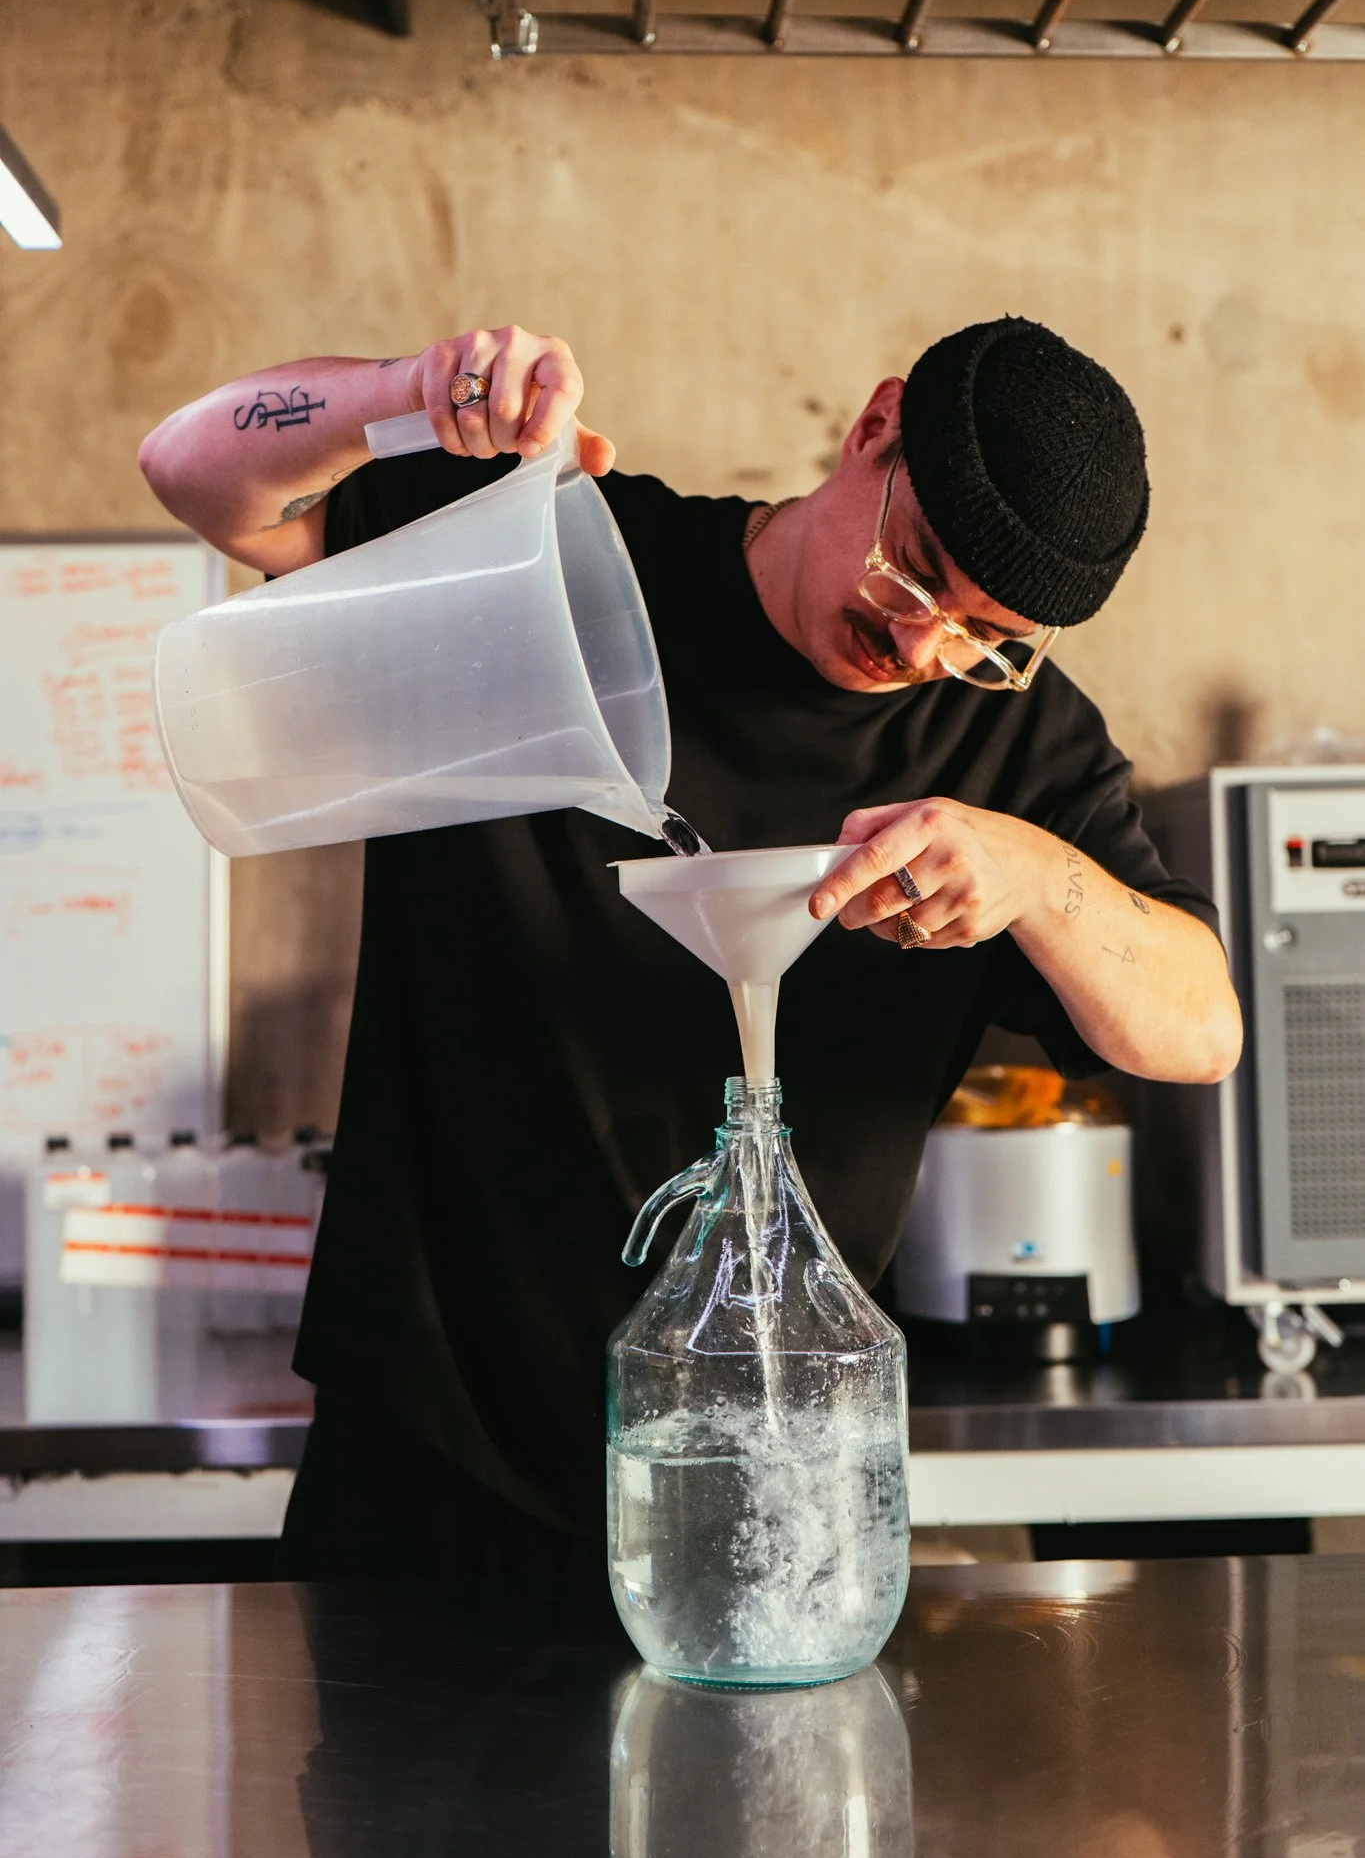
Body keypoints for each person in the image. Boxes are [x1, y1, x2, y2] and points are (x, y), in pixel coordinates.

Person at [139, 316, 1242, 1601]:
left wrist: (1037, 879)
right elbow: (190, 469)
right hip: (432, 1438)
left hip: (759, 1474)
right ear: (874, 427)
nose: (924, 644)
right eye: (917, 567)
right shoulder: (548, 557)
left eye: (988, 638)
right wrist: (404, 393)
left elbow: (1201, 1025)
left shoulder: (1016, 751)